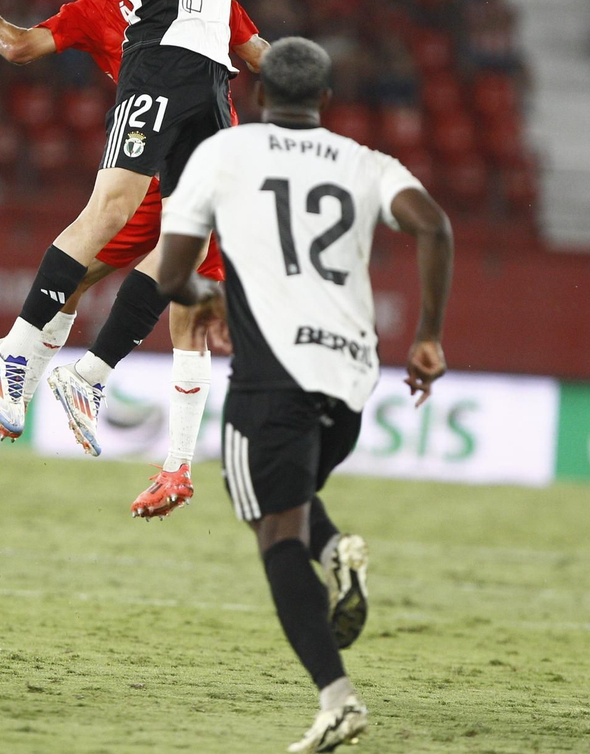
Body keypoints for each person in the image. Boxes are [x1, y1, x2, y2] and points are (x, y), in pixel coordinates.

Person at [0, 0, 302, 468]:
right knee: (113, 206)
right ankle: (15, 347)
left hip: (209, 80)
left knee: (183, 247)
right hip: (162, 68)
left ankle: (86, 379)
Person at [155, 37, 453, 754]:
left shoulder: (224, 154)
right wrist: (429, 337)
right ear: (325, 101)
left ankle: (337, 699)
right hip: (350, 380)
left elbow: (171, 278)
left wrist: (211, 298)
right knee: (269, 497)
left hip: (273, 376)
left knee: (270, 528)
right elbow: (434, 225)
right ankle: (336, 548)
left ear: (258, 97)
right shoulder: (365, 162)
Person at [0, 0, 268, 517]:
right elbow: (260, 56)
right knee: (188, 304)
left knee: (90, 275)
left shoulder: (98, 7)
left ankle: (30, 385)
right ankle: (146, 436)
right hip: (187, 157)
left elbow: (18, 47)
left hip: (152, 160)